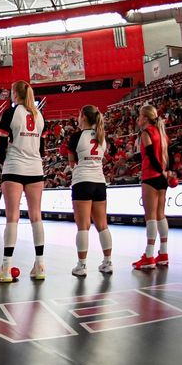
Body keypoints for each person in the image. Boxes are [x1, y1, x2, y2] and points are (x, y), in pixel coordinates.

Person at [0, 80, 46, 282]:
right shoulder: (39, 115)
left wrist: (4, 163)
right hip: (35, 169)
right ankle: (40, 265)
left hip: (14, 168)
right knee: (36, 217)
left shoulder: (10, 113)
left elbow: (1, 147)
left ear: (15, 94)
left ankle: (6, 268)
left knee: (12, 217)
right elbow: (41, 149)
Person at [68, 105, 114, 276]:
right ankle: (108, 262)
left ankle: (81, 265)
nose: (78, 119)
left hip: (82, 182)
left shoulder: (76, 137)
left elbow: (72, 162)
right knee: (102, 225)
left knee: (83, 226)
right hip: (99, 182)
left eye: (79, 115)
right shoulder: (102, 137)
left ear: (84, 118)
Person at [134, 103, 172, 270]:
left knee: (150, 217)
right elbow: (164, 156)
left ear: (146, 118)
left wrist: (159, 171)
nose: (138, 119)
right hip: (162, 178)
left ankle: (149, 256)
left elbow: (151, 156)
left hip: (150, 175)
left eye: (140, 116)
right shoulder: (161, 133)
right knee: (160, 215)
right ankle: (163, 253)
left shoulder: (146, 133)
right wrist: (166, 172)